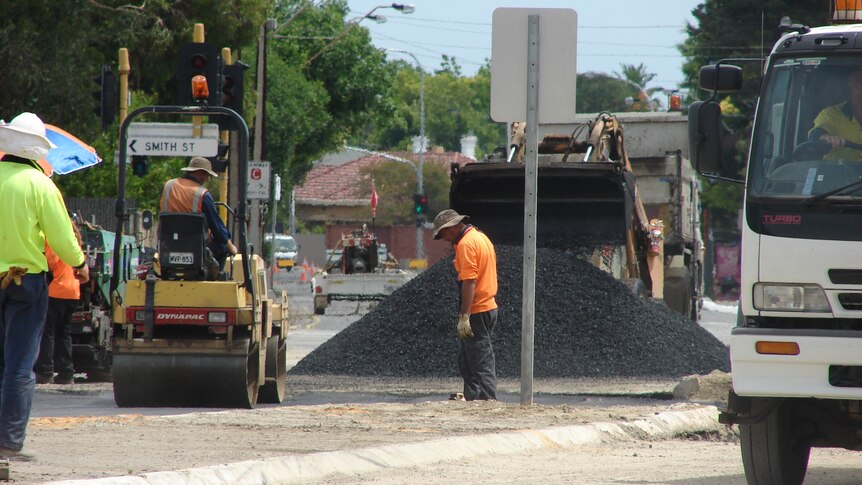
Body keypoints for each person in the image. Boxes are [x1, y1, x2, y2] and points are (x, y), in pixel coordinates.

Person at [0, 112, 89, 461]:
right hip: (26, 282)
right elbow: (63, 240)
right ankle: (8, 442)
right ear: (37, 150)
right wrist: (80, 265)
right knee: (20, 364)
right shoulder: (41, 186)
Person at [432, 209, 498, 401]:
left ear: (452, 227)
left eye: (443, 233)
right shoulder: (480, 237)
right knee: (466, 359)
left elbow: (469, 281)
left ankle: (488, 400)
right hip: (488, 306)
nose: (444, 238)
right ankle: (474, 397)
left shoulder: (466, 244)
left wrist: (464, 316)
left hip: (477, 309)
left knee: (481, 359)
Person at [159, 157, 237, 268]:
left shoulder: (168, 186)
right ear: (200, 173)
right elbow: (217, 227)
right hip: (195, 248)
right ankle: (214, 277)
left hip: (168, 244)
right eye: (207, 176)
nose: (206, 179)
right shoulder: (202, 195)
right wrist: (230, 246)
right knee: (222, 247)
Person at [34, 219, 84, 385]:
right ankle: (66, 373)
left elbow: (48, 263)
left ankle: (45, 372)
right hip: (73, 292)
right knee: (64, 333)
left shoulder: (53, 242)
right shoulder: (75, 243)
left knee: (47, 332)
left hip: (56, 290)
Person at [809, 66, 862, 160]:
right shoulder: (831, 115)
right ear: (852, 84)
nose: (856, 83)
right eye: (856, 80)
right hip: (836, 174)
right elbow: (816, 134)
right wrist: (825, 137)